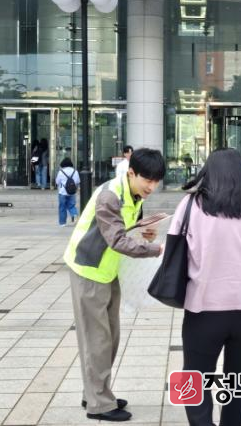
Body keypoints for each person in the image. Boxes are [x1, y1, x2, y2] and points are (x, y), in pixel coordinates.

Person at [63, 148, 166, 422]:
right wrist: (156, 249)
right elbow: (117, 240)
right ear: (131, 173)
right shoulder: (110, 196)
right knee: (97, 340)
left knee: (110, 337)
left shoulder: (134, 194)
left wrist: (145, 232)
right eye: (148, 180)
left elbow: (126, 229)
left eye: (156, 181)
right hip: (89, 271)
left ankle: (95, 392)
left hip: (109, 271)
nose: (152, 187)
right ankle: (98, 403)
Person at [168, 148, 241, 426]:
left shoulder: (192, 205)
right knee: (239, 379)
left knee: (194, 377)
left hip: (205, 307)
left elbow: (175, 245)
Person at [55, 157, 81, 227]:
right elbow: (77, 181)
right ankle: (74, 215)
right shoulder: (75, 171)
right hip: (72, 191)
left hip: (62, 192)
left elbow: (57, 182)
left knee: (62, 207)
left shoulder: (61, 172)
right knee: (71, 205)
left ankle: (62, 223)